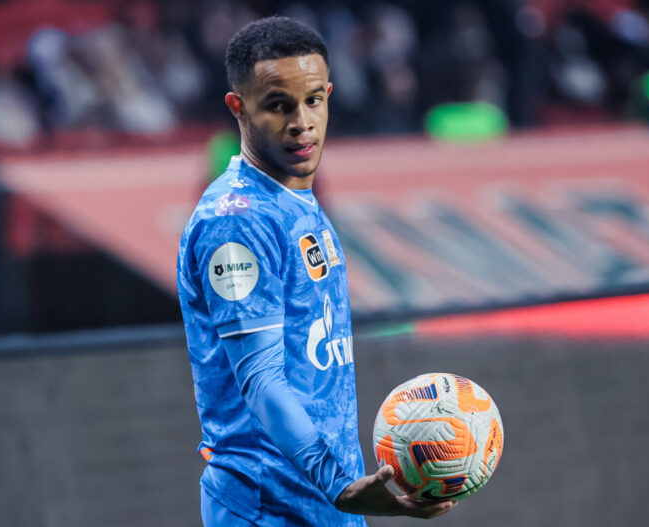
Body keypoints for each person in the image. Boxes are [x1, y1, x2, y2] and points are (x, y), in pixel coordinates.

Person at [176, 16, 455, 526]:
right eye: (278, 105)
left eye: (312, 100)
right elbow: (260, 378)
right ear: (238, 108)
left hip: (324, 503)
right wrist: (338, 484)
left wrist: (342, 493)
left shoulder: (294, 198)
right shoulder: (237, 223)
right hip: (269, 507)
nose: (301, 122)